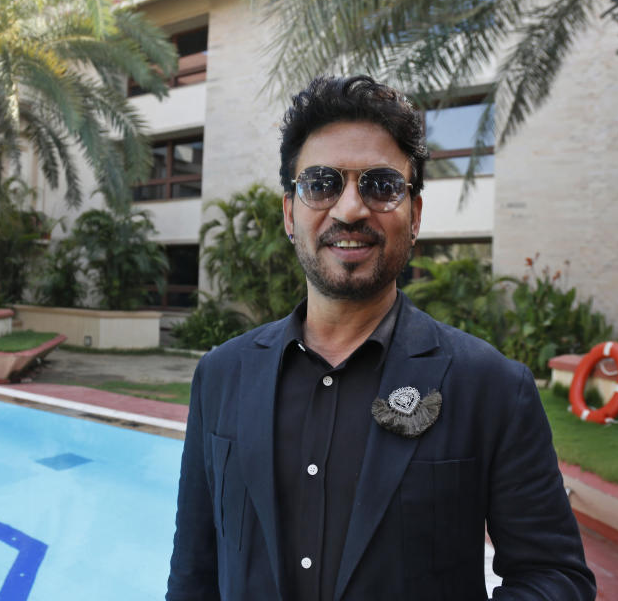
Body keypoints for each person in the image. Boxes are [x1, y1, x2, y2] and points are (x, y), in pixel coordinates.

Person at [166, 75, 596, 600]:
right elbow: (194, 574)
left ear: (414, 215)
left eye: (382, 185)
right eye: (322, 184)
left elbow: (556, 577)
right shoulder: (221, 376)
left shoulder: (492, 388)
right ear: (289, 212)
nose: (350, 209)